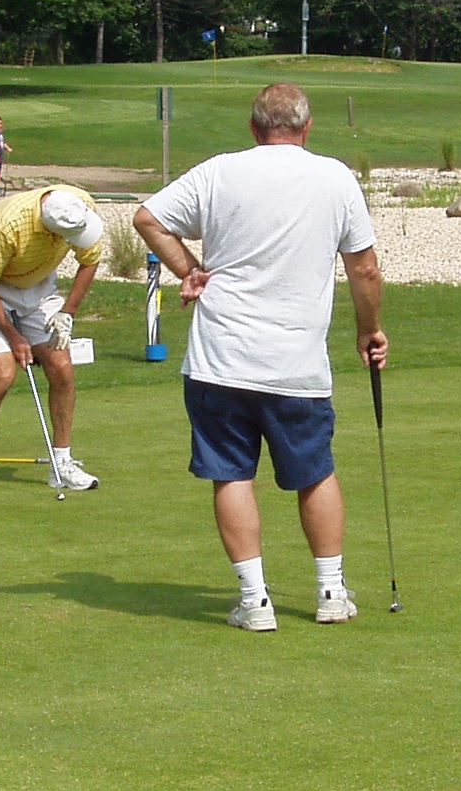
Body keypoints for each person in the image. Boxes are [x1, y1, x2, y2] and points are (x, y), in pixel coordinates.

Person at [132, 82, 386, 630]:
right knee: (315, 472)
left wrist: (187, 269)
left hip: (220, 359)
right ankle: (330, 593)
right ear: (307, 127)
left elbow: (147, 219)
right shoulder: (335, 177)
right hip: (296, 363)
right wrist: (370, 331)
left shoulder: (219, 170)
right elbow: (363, 269)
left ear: (253, 127)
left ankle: (255, 603)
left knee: (233, 475)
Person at [0, 184, 107, 494]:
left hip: (38, 290)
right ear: (51, 230)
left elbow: (90, 260)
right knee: (2, 374)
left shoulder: (78, 206)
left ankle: (61, 463)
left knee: (61, 366)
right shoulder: (10, 224)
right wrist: (14, 336)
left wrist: (68, 313)